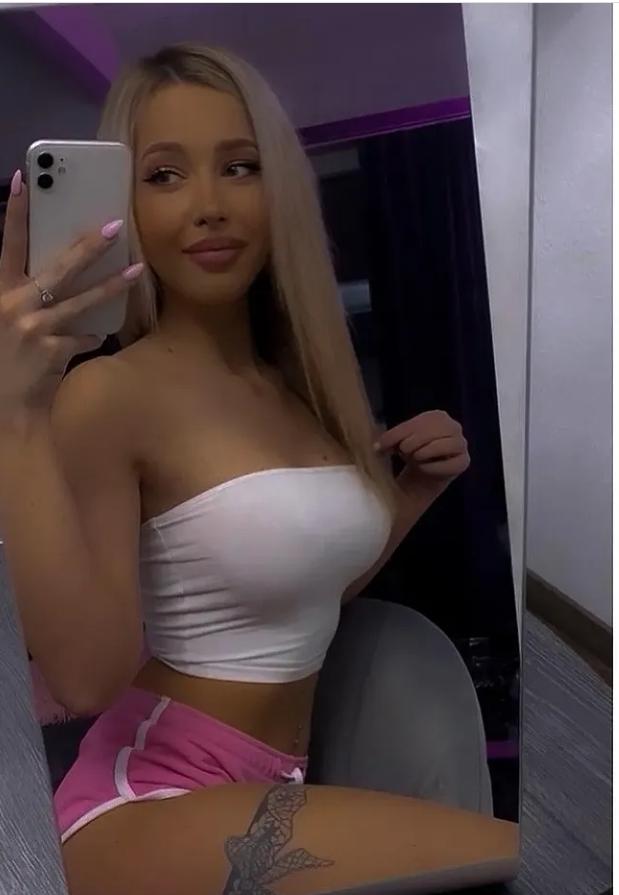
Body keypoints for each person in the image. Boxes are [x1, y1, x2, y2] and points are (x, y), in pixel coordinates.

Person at [0, 43, 518, 895]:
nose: (209, 205)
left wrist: (410, 494)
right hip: (150, 799)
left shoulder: (301, 388)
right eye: (165, 175)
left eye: (239, 166)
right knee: (529, 854)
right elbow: (86, 679)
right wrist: (17, 412)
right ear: (124, 203)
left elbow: (293, 592)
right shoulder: (109, 394)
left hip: (273, 785)